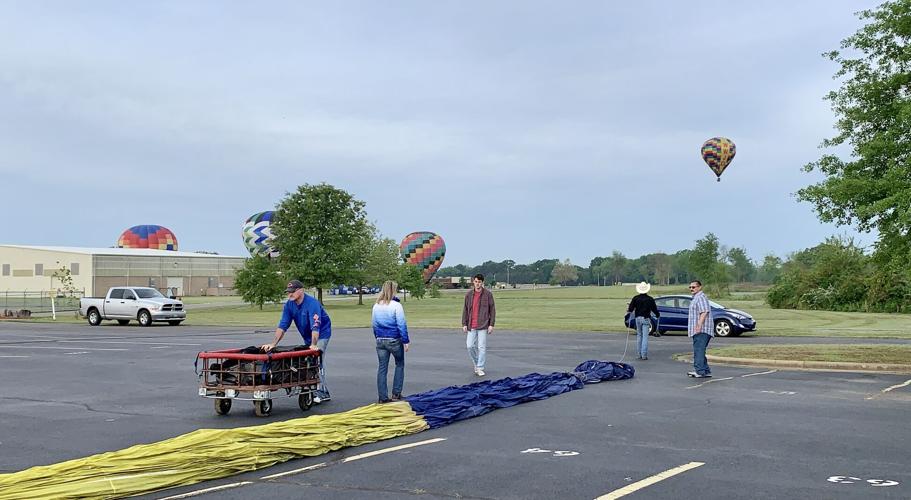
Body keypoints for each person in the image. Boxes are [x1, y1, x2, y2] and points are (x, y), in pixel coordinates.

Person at [262, 280, 333, 402]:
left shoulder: (312, 304)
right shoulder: (289, 305)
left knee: (317, 358)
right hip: (307, 335)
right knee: (306, 361)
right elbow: (283, 325)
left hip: (321, 334)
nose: (290, 294)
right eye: (288, 292)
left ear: (301, 290)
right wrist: (273, 344)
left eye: (292, 292)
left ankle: (322, 392)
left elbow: (315, 326)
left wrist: (314, 345)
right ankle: (311, 388)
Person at [372, 280, 410, 403]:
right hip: (394, 340)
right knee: (399, 364)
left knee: (382, 368)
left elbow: (374, 325)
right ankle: (396, 393)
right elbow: (401, 325)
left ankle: (382, 397)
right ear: (393, 290)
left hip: (380, 340)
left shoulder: (376, 305)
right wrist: (405, 341)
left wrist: (377, 337)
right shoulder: (396, 306)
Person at [461, 273, 496, 376]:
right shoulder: (468, 295)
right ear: (473, 282)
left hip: (483, 324)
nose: (477, 284)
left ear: (482, 283)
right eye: (476, 282)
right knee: (470, 346)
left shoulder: (488, 294)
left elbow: (492, 310)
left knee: (481, 347)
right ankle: (476, 363)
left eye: (479, 282)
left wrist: (491, 324)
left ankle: (480, 367)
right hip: (471, 324)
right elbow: (465, 310)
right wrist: (464, 323)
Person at [687, 280, 714, 378]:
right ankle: (705, 370)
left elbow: (704, 312)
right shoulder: (695, 298)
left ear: (699, 287)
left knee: (698, 350)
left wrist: (699, 325)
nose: (691, 289)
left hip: (702, 329)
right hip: (698, 329)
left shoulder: (701, 297)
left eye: (693, 287)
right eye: (690, 287)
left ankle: (700, 371)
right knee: (700, 350)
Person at [627, 282, 659, 360]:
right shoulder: (650, 299)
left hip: (638, 318)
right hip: (646, 318)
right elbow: (654, 309)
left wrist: (629, 309)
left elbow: (630, 309)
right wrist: (658, 315)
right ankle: (644, 355)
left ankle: (639, 354)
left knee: (639, 336)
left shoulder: (635, 298)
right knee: (645, 337)